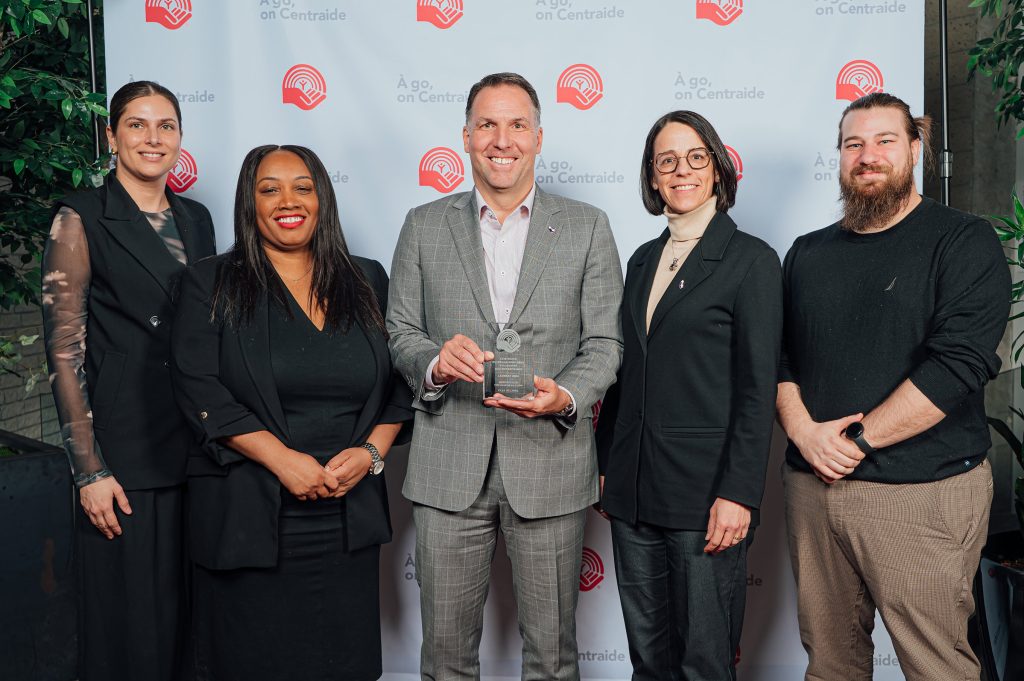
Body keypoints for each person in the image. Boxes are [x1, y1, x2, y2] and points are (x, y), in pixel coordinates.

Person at [386, 72, 623, 680]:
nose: (502, 138)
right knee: (444, 657)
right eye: (487, 124)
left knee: (552, 657)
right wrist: (435, 364)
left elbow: (604, 342)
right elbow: (401, 332)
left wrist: (565, 395)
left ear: (539, 137)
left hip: (548, 464)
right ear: (465, 137)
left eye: (517, 124)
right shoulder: (422, 224)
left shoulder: (587, 225)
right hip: (447, 466)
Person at [776, 92, 1010, 681]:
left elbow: (956, 365)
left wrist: (854, 439)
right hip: (813, 489)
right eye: (854, 144)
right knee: (830, 664)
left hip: (920, 491)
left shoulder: (963, 241)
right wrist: (805, 434)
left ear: (914, 148)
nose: (867, 155)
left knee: (935, 666)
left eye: (884, 141)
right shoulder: (807, 252)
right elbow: (779, 361)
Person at [170, 144, 412, 680]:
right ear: (249, 202)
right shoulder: (209, 283)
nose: (289, 201)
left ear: (321, 198)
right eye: (269, 188)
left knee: (341, 665)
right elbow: (199, 390)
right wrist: (283, 461)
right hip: (250, 518)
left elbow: (402, 384)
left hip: (347, 517)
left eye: (303, 187)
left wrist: (372, 452)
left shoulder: (367, 280)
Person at [594, 111, 782, 680]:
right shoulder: (643, 260)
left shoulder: (752, 261)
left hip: (706, 498)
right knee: (649, 661)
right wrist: (606, 463)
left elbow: (757, 391)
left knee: (703, 662)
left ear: (718, 169)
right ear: (653, 178)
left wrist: (739, 494)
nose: (681, 170)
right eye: (666, 160)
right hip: (633, 492)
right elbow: (624, 373)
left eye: (696, 157)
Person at [41, 80, 216, 681]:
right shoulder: (82, 216)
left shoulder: (197, 218)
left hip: (198, 446)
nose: (153, 137)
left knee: (189, 627)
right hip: (124, 454)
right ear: (112, 136)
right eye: (137, 125)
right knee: (130, 630)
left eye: (166, 125)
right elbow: (65, 351)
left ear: (179, 139)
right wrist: (89, 469)